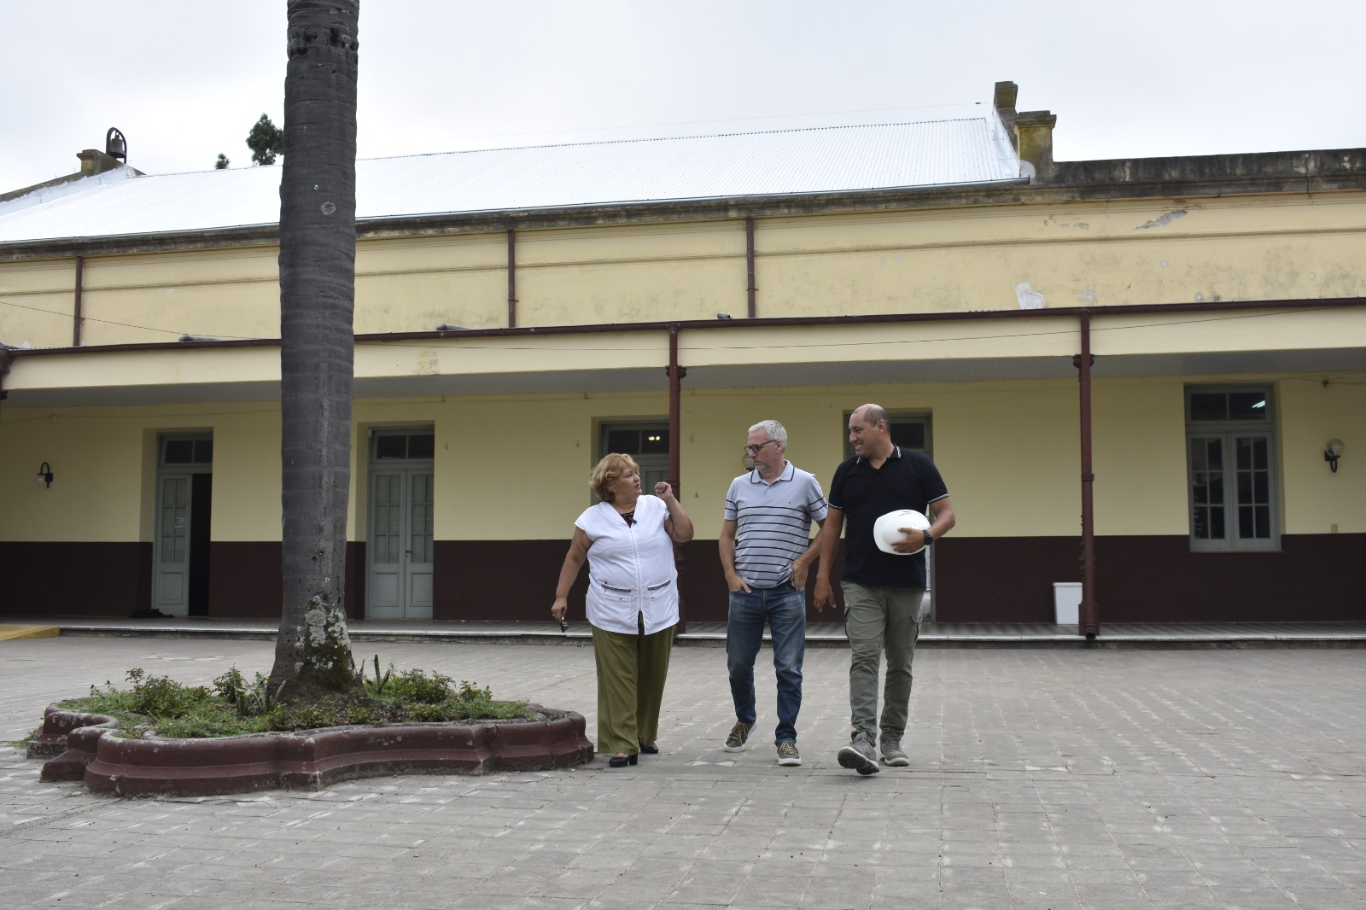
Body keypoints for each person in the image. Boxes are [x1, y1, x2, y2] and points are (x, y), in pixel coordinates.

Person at [814, 404, 955, 775]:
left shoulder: (918, 466)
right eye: (850, 431)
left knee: (900, 663)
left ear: (880, 427)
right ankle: (863, 736)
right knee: (863, 657)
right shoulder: (847, 472)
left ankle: (892, 737)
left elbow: (947, 515)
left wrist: (925, 536)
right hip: (859, 580)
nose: (852, 438)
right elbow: (831, 527)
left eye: (858, 430)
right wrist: (822, 575)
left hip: (907, 583)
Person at [551, 453, 694, 767]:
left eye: (636, 473)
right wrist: (561, 596)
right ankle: (622, 744)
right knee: (618, 678)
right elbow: (574, 558)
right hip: (611, 609)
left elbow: (684, 534)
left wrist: (671, 500)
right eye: (628, 474)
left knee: (652, 677)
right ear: (610, 485)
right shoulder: (591, 518)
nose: (636, 478)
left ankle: (644, 736)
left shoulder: (655, 507)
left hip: (659, 606)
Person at [719, 420, 827, 766]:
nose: (750, 454)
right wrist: (730, 575)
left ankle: (786, 738)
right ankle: (745, 718)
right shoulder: (739, 485)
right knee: (738, 665)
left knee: (789, 669)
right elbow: (725, 536)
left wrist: (806, 560)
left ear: (778, 446)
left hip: (786, 593)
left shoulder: (805, 482)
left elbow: (831, 528)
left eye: (756, 447)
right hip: (745, 592)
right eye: (749, 448)